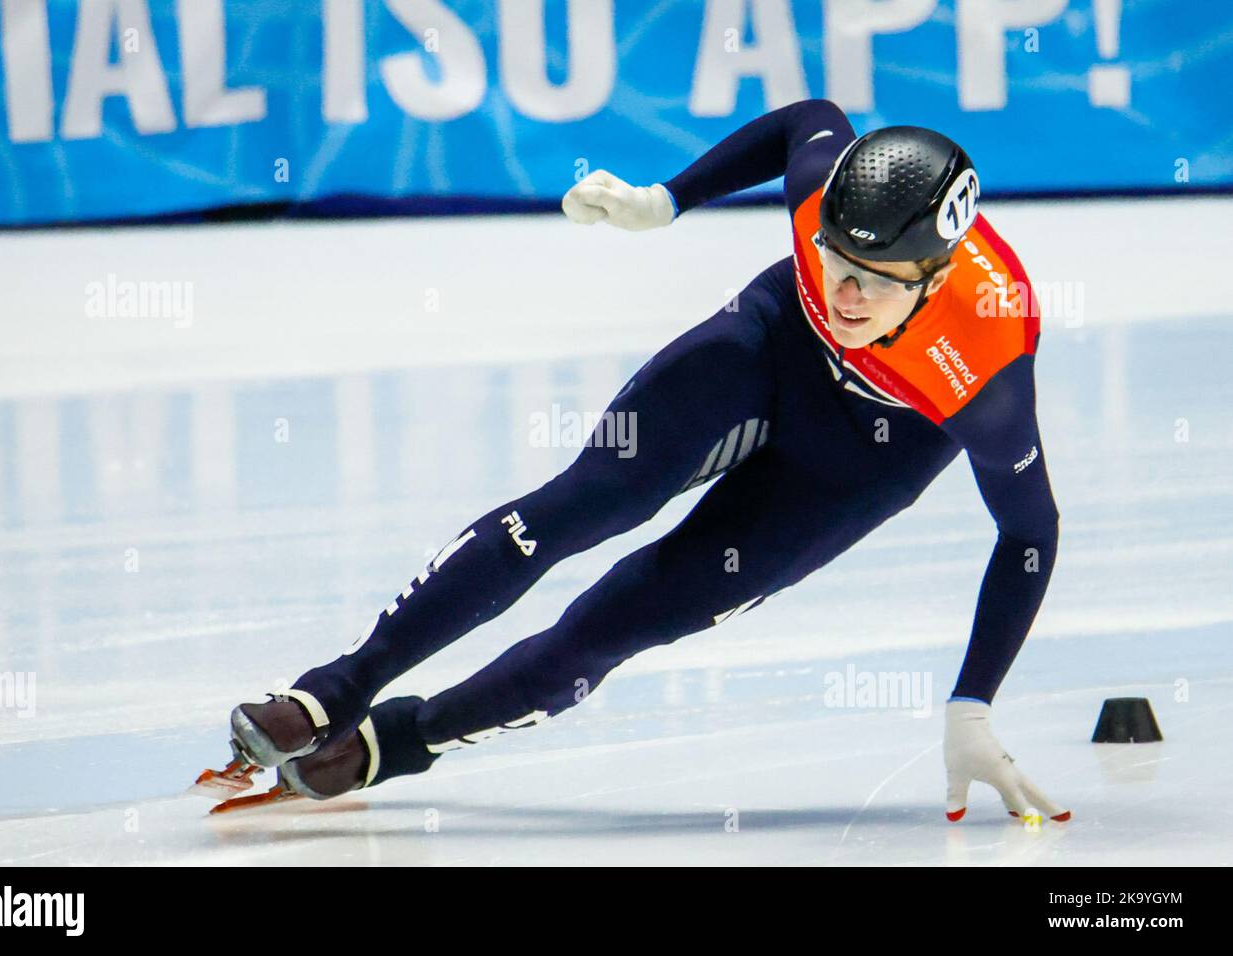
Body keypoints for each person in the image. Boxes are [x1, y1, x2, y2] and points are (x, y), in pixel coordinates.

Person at [218, 98, 1068, 823]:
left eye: (872, 281)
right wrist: (667, 200)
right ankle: (334, 689)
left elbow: (1031, 532)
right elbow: (807, 122)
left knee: (611, 627)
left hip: (863, 460)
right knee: (582, 504)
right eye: (833, 261)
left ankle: (399, 744)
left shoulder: (986, 368)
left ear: (935, 273)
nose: (844, 294)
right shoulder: (823, 201)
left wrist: (972, 703)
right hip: (771, 345)